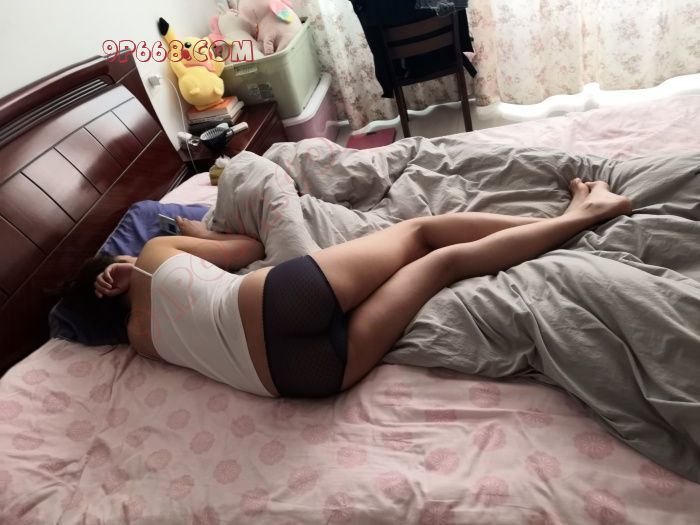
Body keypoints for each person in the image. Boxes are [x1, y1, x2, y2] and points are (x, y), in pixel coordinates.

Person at [63, 179, 631, 398]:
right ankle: (579, 215)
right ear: (113, 277)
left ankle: (576, 217)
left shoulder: (142, 344)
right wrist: (189, 231)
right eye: (122, 256)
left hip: (302, 378)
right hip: (278, 301)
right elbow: (246, 248)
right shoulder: (152, 259)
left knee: (443, 266)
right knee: (421, 233)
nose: (134, 250)